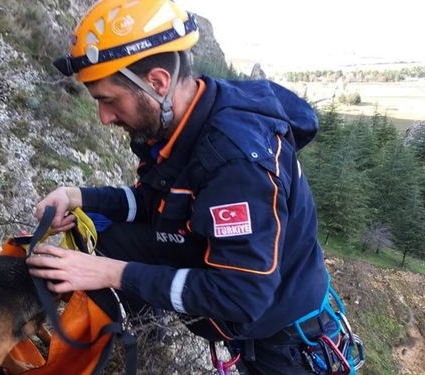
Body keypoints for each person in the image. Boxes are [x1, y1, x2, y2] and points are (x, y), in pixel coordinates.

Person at [26, 1, 346, 373]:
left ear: (158, 82)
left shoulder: (235, 161)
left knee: (109, 260)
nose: (103, 118)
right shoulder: (178, 124)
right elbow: (153, 202)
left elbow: (241, 296)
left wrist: (110, 273)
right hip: (252, 319)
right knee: (106, 232)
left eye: (108, 100)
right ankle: (146, 339)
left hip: (284, 344)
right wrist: (78, 197)